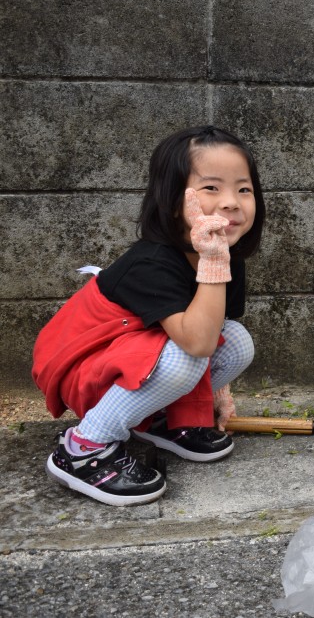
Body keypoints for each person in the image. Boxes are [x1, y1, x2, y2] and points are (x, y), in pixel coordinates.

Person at [32, 125, 265, 507]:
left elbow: (217, 332)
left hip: (132, 358)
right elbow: (198, 343)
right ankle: (82, 448)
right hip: (78, 363)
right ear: (174, 200)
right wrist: (211, 263)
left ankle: (161, 420)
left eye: (244, 189)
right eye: (211, 188)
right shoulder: (151, 261)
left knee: (237, 340)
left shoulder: (225, 255)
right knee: (186, 356)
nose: (231, 202)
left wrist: (217, 394)